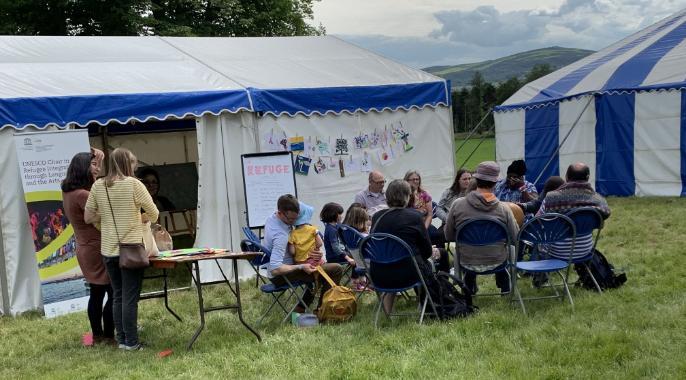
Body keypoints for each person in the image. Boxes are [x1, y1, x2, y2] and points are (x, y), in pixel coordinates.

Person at [84, 148, 159, 351]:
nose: (135, 168)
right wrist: (137, 218)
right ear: (128, 164)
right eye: (133, 164)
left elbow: (88, 217)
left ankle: (122, 340)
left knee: (117, 295)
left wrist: (107, 221)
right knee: (130, 298)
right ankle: (132, 342)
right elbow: (154, 214)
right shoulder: (134, 184)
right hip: (131, 249)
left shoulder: (98, 185)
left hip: (108, 249)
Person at [62, 149, 114, 345]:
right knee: (113, 292)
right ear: (83, 168)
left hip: (85, 248)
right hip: (97, 248)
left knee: (96, 293)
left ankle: (98, 335)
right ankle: (109, 335)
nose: (97, 169)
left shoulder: (69, 192)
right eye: (93, 165)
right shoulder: (84, 195)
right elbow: (103, 210)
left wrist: (97, 160)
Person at [444, 161, 519, 294]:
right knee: (509, 249)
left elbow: (448, 236)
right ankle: (506, 288)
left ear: (476, 179)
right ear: (495, 183)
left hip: (467, 260)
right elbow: (515, 237)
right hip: (497, 260)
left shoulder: (457, 205)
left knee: (468, 250)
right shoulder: (504, 209)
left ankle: (468, 288)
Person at [370, 179, 443, 312]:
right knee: (432, 258)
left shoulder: (377, 217)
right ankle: (425, 306)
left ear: (387, 197)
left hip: (379, 273)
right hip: (409, 272)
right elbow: (426, 252)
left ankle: (388, 313)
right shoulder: (414, 216)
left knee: (391, 260)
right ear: (407, 196)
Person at [264, 195, 343, 312]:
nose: (295, 222)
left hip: (294, 263)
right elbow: (275, 269)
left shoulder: (274, 216)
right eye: (291, 220)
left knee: (322, 270)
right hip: (280, 276)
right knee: (336, 269)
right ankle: (322, 310)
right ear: (280, 213)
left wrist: (315, 254)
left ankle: (301, 308)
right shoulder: (280, 235)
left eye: (296, 218)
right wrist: (302, 266)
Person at [538, 163, 611, 259]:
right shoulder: (598, 199)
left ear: (566, 177)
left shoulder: (551, 198)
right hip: (585, 250)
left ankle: (537, 272)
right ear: (587, 178)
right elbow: (606, 213)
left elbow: (537, 221)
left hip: (556, 252)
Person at [288, 203, 324, 267]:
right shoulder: (313, 229)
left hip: (300, 263)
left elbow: (292, 252)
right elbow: (320, 243)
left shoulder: (292, 234)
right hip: (313, 260)